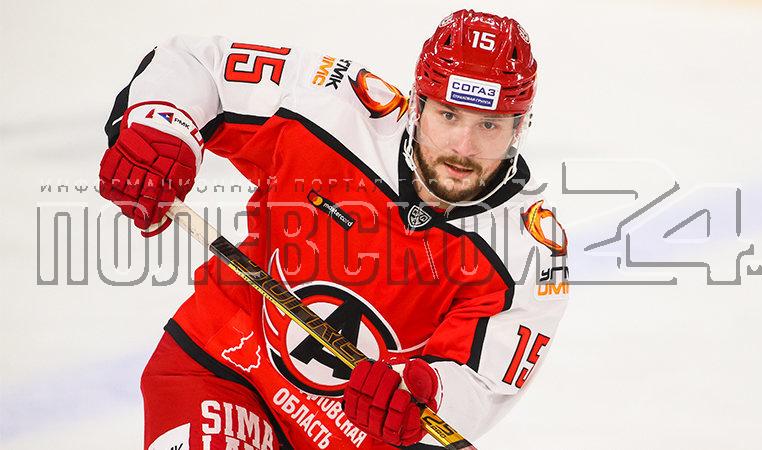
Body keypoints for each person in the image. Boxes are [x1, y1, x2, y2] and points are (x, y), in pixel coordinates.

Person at [99, 9, 570, 450]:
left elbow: (483, 385)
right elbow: (197, 64)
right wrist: (162, 130)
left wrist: (426, 393)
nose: (463, 147)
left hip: (353, 434)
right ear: (418, 105)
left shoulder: (528, 254)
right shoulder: (331, 106)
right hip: (226, 363)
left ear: (518, 129)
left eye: (489, 125)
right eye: (448, 115)